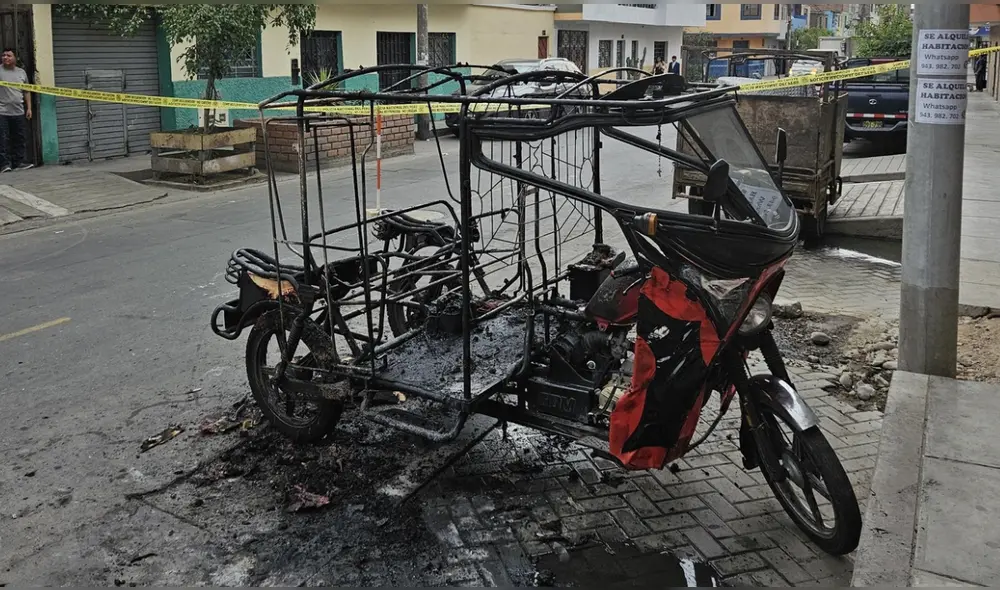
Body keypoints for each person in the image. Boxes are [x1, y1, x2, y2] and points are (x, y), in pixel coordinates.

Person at [0, 47, 32, 173]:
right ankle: (4, 165)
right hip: (2, 111)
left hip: (18, 111)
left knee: (19, 138)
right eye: (3, 55)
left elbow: (27, 91)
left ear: (15, 58)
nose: (5, 57)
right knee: (3, 139)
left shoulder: (21, 73)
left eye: (8, 55)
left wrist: (29, 108)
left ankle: (18, 163)